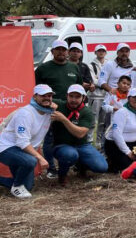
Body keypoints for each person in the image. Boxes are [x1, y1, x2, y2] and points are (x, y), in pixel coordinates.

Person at [0, 85, 54, 199]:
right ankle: (16, 186)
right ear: (35, 96)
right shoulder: (25, 113)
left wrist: (57, 109)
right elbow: (22, 143)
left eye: (49, 96)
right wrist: (41, 158)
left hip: (22, 151)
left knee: (27, 187)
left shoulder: (49, 112)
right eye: (43, 95)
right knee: (31, 161)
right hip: (5, 149)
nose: (47, 98)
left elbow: (62, 103)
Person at [35, 39, 84, 178]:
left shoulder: (74, 68)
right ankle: (51, 168)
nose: (61, 52)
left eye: (64, 49)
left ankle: (74, 163)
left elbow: (79, 88)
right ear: (52, 52)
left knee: (71, 136)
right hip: (50, 109)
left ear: (67, 52)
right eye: (58, 49)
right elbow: (35, 90)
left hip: (72, 109)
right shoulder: (43, 68)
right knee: (50, 138)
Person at [51, 85, 108, 185]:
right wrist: (48, 103)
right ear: (66, 96)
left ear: (83, 98)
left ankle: (81, 166)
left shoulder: (87, 111)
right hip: (62, 144)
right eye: (71, 96)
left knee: (102, 167)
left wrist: (63, 119)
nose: (73, 99)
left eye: (77, 97)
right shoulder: (59, 104)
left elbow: (80, 134)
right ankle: (62, 174)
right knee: (70, 154)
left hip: (82, 144)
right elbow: (41, 99)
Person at [104, 88, 136, 173]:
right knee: (125, 167)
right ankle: (113, 161)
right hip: (115, 144)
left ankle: (134, 161)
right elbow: (117, 135)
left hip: (135, 143)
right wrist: (128, 152)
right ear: (129, 98)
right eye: (134, 97)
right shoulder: (122, 112)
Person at [89, 44, 108, 150]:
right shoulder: (91, 65)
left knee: (103, 122)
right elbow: (93, 80)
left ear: (105, 53)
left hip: (105, 97)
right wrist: (105, 83)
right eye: (99, 51)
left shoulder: (109, 64)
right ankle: (90, 141)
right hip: (95, 96)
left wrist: (101, 82)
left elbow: (109, 78)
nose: (101, 52)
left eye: (103, 51)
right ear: (95, 52)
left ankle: (99, 142)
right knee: (93, 121)